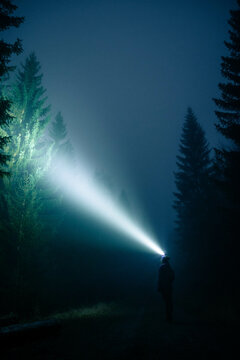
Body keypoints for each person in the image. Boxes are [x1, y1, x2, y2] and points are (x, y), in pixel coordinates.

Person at [158, 255, 175, 322]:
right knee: (169, 301)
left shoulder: (162, 267)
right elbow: (173, 277)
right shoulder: (170, 267)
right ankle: (169, 316)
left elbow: (160, 278)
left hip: (164, 287)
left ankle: (168, 316)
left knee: (166, 301)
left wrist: (159, 287)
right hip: (169, 286)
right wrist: (170, 282)